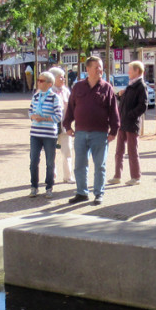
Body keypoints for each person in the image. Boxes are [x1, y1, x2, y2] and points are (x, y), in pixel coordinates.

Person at [62, 56, 120, 205]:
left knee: (100, 166)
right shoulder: (78, 87)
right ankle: (81, 193)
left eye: (101, 67)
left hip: (100, 134)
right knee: (80, 165)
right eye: (96, 67)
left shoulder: (107, 87)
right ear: (87, 69)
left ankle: (98, 194)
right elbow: (71, 107)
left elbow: (114, 111)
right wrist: (68, 125)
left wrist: (114, 131)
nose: (100, 70)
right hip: (80, 133)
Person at [108, 60, 148, 186]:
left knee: (132, 151)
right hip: (123, 123)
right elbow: (127, 102)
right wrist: (120, 96)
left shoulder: (141, 86)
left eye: (130, 69)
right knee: (119, 150)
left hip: (131, 123)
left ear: (137, 71)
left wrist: (130, 115)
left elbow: (143, 106)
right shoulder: (131, 85)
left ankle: (136, 177)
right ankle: (117, 175)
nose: (128, 72)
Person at [28, 71, 62, 198]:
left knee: (49, 162)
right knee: (33, 161)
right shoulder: (36, 96)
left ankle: (49, 187)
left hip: (49, 134)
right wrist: (32, 116)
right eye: (38, 80)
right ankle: (34, 186)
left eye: (41, 81)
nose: (38, 82)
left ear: (49, 84)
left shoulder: (54, 97)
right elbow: (30, 110)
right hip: (35, 133)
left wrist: (45, 118)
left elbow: (59, 116)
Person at [49, 66, 75, 183]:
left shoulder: (66, 91)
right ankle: (51, 175)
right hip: (51, 127)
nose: (63, 79)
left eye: (64, 77)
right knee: (51, 152)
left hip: (65, 126)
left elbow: (72, 107)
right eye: (61, 77)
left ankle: (68, 176)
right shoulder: (47, 91)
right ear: (53, 78)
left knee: (67, 150)